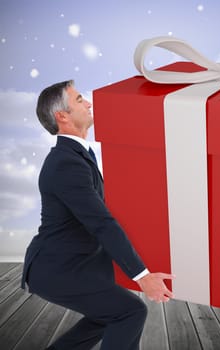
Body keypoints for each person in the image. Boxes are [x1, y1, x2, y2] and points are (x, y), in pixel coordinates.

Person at [21, 80, 175, 350]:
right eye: (80, 99)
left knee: (107, 317)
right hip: (55, 268)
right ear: (62, 116)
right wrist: (143, 276)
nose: (89, 103)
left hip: (72, 264)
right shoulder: (66, 163)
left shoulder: (77, 156)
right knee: (130, 311)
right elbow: (100, 222)